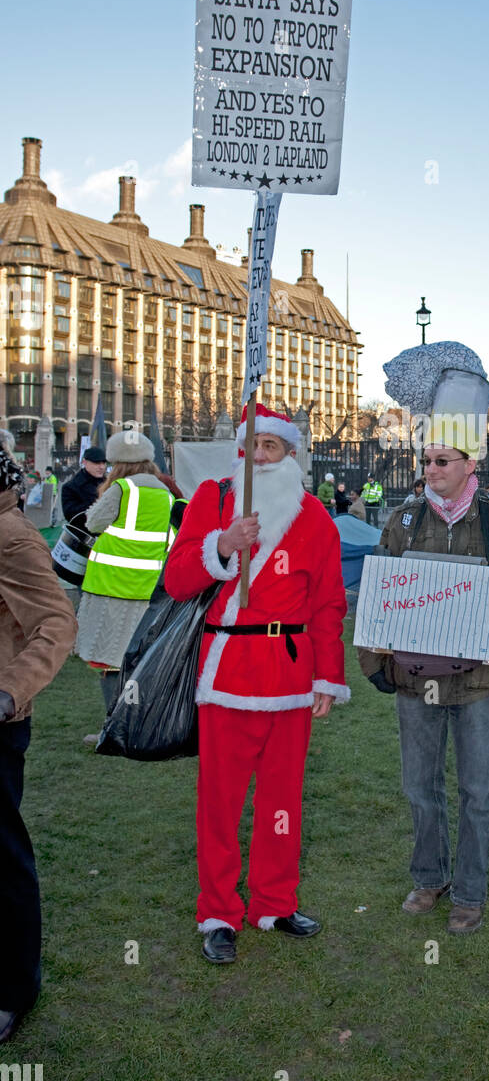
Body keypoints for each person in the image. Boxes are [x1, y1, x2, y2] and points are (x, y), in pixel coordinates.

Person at [163, 403, 349, 965]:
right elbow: (176, 581)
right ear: (240, 450)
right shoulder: (213, 500)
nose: (262, 455)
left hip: (291, 673)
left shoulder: (314, 515)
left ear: (291, 453)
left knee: (281, 798)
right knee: (219, 802)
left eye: (273, 446)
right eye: (254, 446)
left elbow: (329, 603)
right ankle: (218, 910)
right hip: (227, 669)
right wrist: (222, 545)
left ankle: (274, 900)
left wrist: (327, 676)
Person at [357, 429, 489, 936]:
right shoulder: (403, 519)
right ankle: (428, 878)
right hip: (415, 680)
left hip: (480, 682)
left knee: (477, 791)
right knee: (420, 786)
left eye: (442, 461)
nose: (431, 469)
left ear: (468, 464)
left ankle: (471, 892)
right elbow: (377, 590)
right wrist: (372, 662)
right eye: (426, 460)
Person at [0, 444, 78, 1043]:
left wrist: (9, 691)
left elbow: (57, 622)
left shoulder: (12, 535)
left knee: (4, 861)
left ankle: (13, 990)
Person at [74, 432, 173, 720]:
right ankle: (137, 721)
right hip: (146, 588)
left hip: (112, 586)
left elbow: (93, 522)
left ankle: (113, 725)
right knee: (136, 659)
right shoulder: (163, 493)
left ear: (118, 464)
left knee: (109, 660)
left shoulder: (122, 489)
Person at [61, 447, 107, 530]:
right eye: (97, 463)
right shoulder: (70, 487)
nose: (102, 467)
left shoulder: (109, 483)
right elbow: (72, 517)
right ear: (85, 462)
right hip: (85, 537)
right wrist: (96, 502)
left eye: (104, 463)